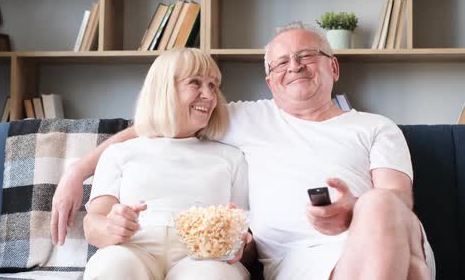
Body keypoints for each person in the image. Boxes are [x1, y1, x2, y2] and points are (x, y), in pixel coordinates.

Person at [52, 23, 435, 280]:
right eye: (281, 62)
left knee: (380, 204)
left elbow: (398, 199)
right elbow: (157, 123)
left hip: (372, 237)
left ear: (333, 67)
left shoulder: (375, 126)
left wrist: (354, 209)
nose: (295, 66)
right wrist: (76, 172)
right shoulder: (245, 117)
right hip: (298, 263)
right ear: (270, 82)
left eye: (307, 56)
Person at [81, 48, 251, 280]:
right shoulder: (119, 153)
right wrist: (111, 227)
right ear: (164, 90)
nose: (210, 96)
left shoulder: (232, 158)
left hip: (202, 258)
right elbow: (93, 223)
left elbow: (247, 235)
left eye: (213, 85)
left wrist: (239, 244)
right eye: (195, 83)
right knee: (111, 267)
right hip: (133, 249)